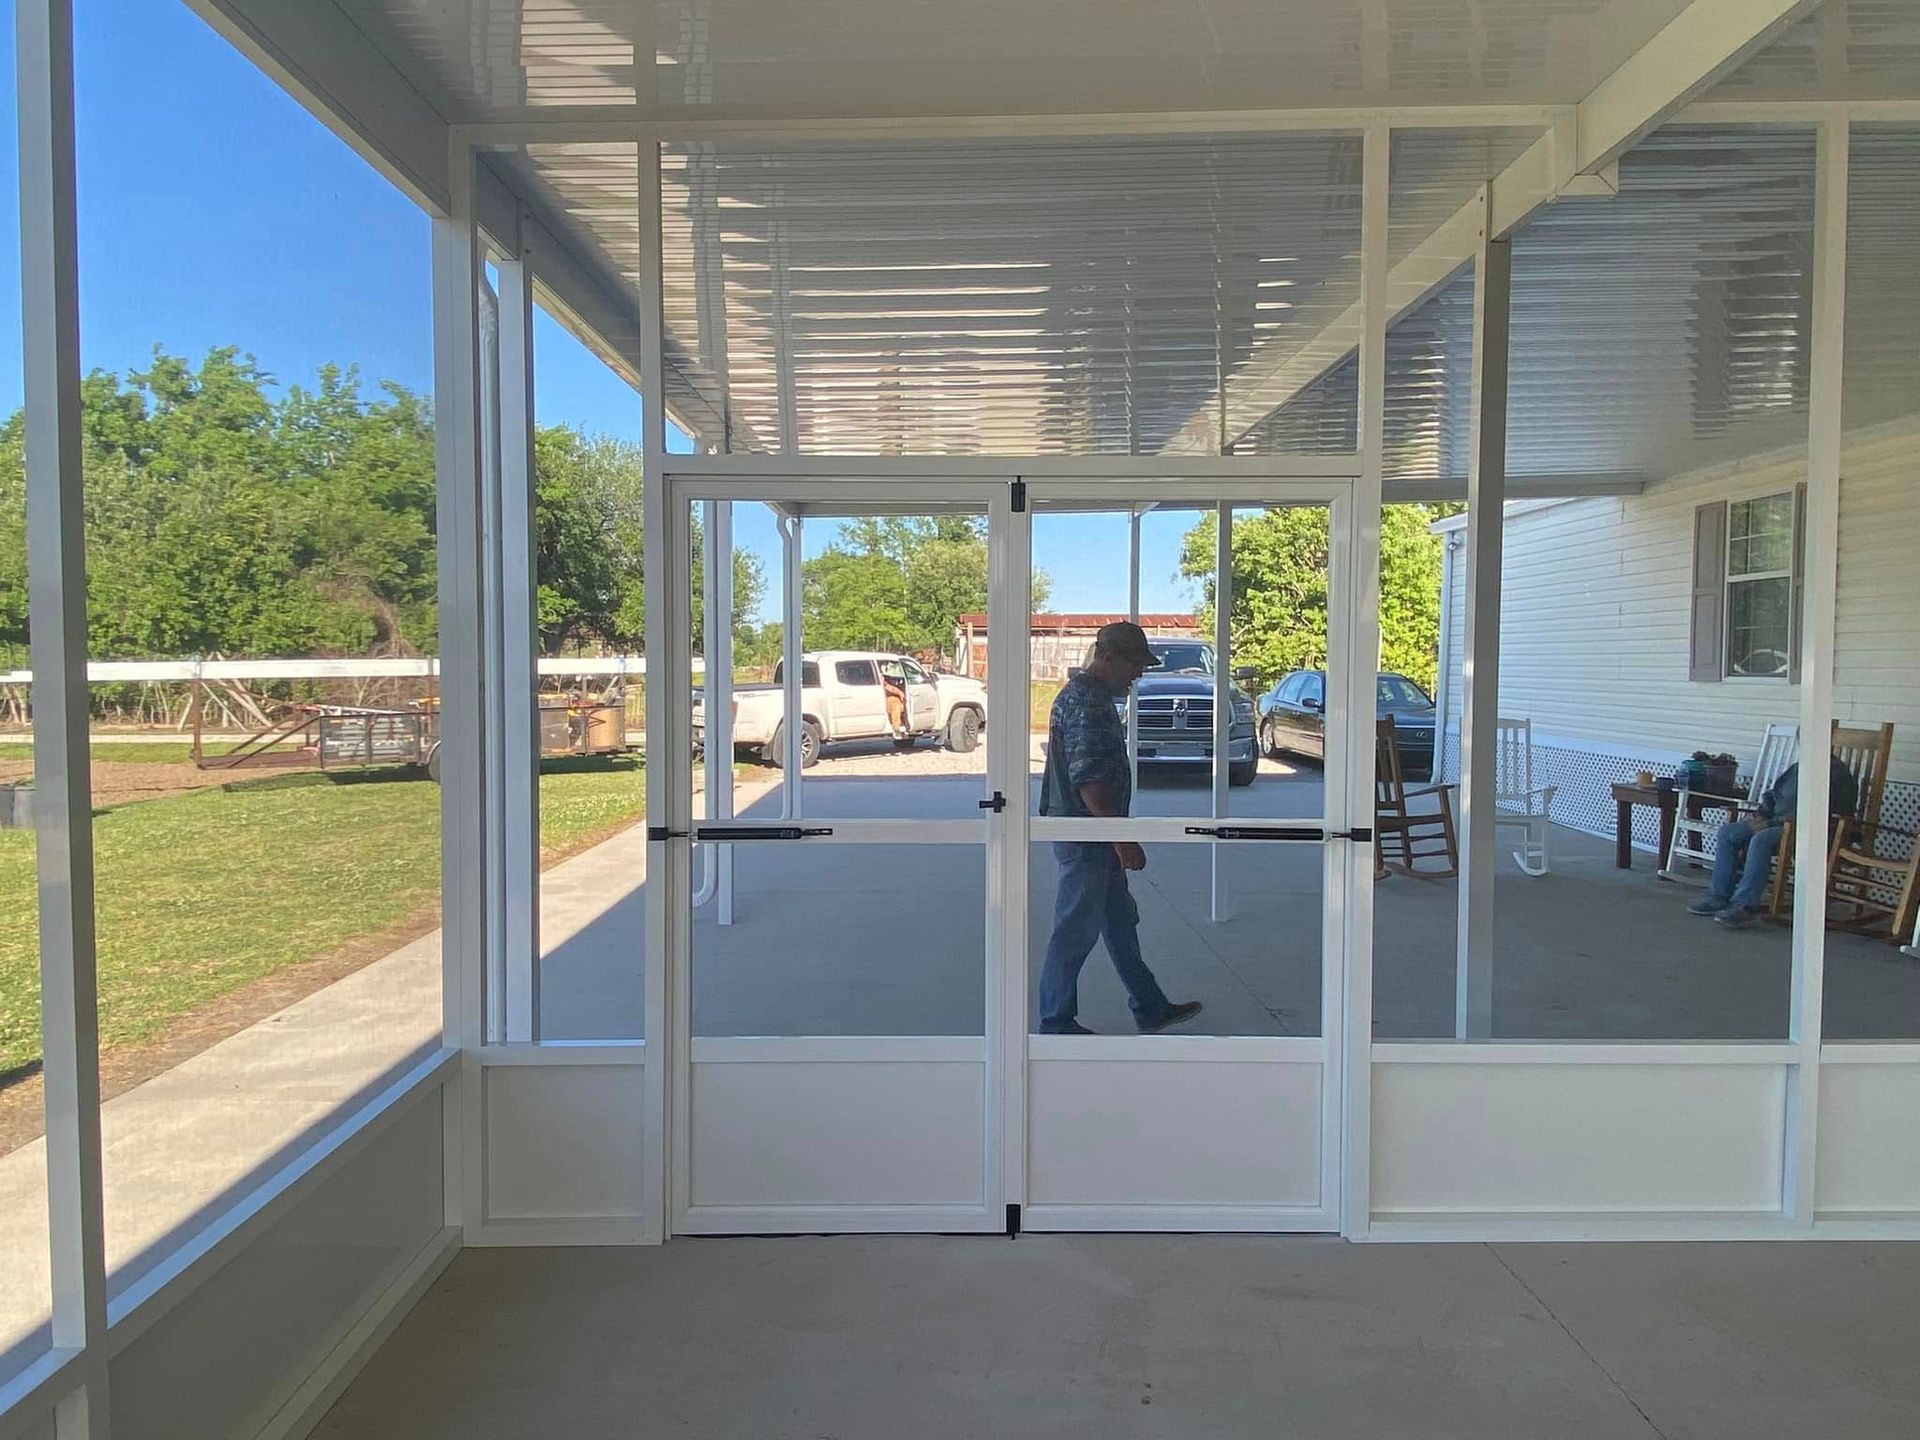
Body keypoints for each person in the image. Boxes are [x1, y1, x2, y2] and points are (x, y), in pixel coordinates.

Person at [1037, 621, 1203, 1035]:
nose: (1139, 674)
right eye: (1134, 664)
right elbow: (1089, 781)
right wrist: (1121, 839)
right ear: (1107, 659)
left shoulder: (1089, 697)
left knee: (1119, 922)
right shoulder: (1088, 704)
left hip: (1092, 832)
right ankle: (1056, 1020)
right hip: (1087, 834)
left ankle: (1150, 1005)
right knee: (1074, 928)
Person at [1687, 754, 1860, 929]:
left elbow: (1823, 814)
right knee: (1727, 832)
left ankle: (1744, 905)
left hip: (1808, 831)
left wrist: (1770, 823)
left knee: (1760, 840)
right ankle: (1719, 896)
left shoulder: (1838, 775)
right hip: (1775, 822)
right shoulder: (1798, 767)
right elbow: (1773, 794)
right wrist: (1762, 814)